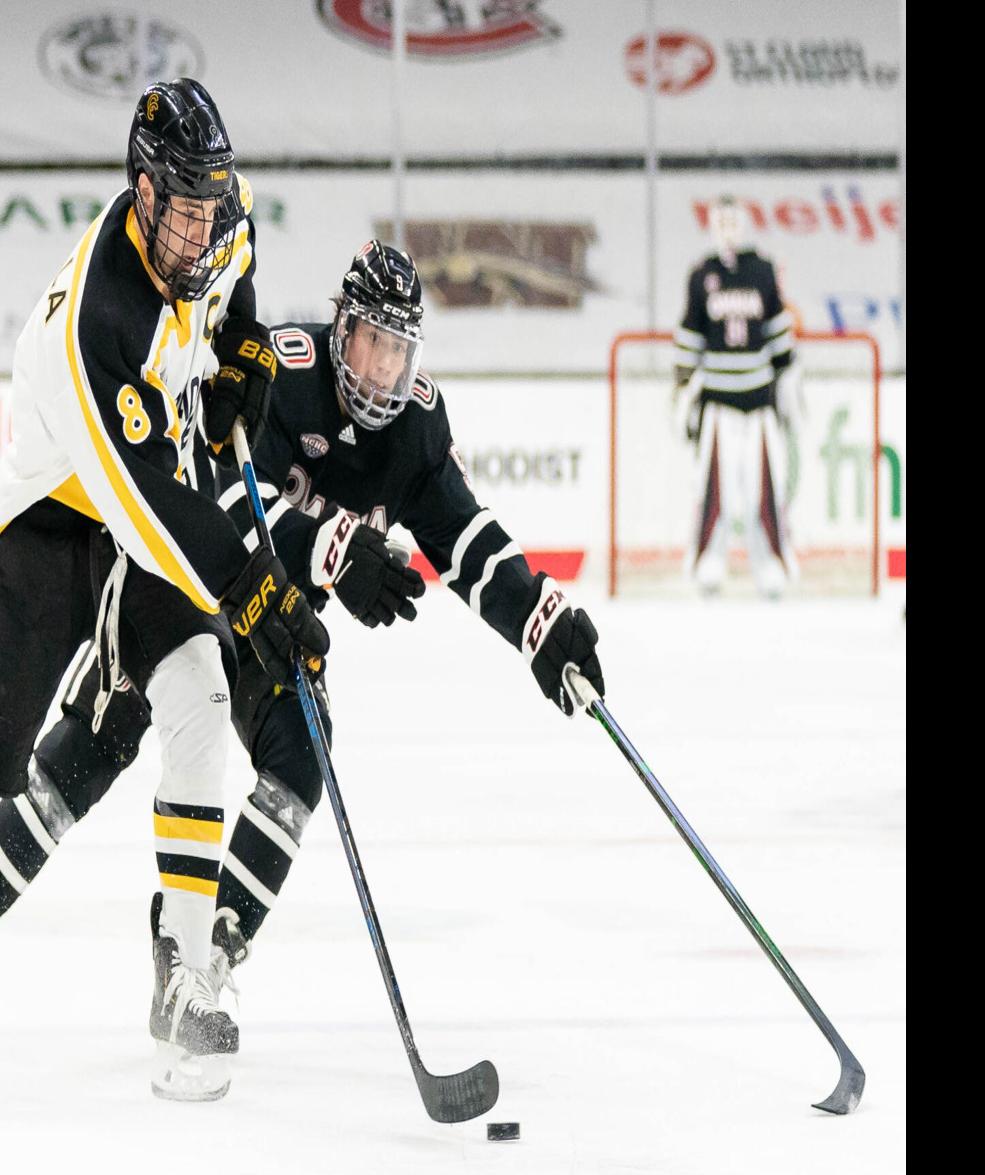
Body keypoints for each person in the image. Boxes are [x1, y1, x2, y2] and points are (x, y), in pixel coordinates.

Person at [0, 242, 605, 1019]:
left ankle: (201, 961)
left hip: (276, 623)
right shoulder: (281, 372)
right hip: (183, 587)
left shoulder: (415, 425)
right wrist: (322, 543)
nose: (383, 368)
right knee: (93, 744)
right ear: (340, 328)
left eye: (398, 349)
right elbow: (204, 492)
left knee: (301, 756)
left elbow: (463, 535)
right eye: (371, 342)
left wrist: (536, 621)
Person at [0, 78, 328, 1100]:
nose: (198, 231)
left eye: (209, 210)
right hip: (49, 526)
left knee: (196, 688)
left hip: (141, 510)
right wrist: (257, 591)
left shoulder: (215, 225)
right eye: (180, 213)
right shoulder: (97, 322)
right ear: (139, 192)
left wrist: (238, 350)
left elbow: (238, 285)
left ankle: (186, 973)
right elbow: (145, 508)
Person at [673, 194, 800, 597]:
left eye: (733, 220)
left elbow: (779, 331)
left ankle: (772, 564)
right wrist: (681, 388)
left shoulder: (762, 270)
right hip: (718, 404)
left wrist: (787, 381)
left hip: (758, 402)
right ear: (711, 225)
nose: (727, 228)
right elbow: (689, 336)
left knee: (767, 486)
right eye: (720, 221)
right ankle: (709, 559)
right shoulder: (701, 275)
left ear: (744, 223)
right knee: (714, 487)